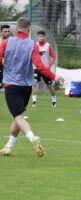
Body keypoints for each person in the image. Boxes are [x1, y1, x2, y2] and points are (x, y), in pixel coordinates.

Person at [0, 17, 64, 156]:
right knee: (17, 117)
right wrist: (54, 76)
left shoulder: (6, 42)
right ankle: (9, 146)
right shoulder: (32, 44)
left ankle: (32, 138)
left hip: (11, 85)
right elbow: (40, 66)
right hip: (27, 87)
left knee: (18, 117)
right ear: (29, 29)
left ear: (16, 28)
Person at [32, 30, 57, 107]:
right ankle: (34, 101)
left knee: (49, 85)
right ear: (37, 37)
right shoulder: (34, 45)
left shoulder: (48, 46)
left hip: (45, 69)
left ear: (44, 37)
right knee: (33, 83)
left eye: (42, 36)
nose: (41, 38)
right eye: (39, 36)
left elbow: (53, 57)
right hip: (36, 68)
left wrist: (48, 66)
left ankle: (54, 101)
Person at [0, 24, 11, 89]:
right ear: (1, 32)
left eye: (8, 31)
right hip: (1, 67)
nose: (7, 33)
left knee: (10, 87)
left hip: (10, 68)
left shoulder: (13, 42)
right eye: (5, 32)